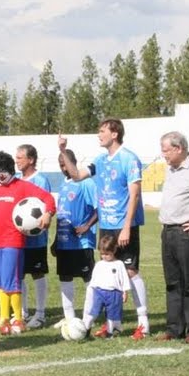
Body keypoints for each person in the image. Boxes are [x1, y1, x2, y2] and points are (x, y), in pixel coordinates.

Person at [58, 118, 150, 340]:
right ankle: (114, 325)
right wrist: (62, 151)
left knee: (130, 272)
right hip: (106, 224)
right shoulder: (100, 160)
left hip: (123, 224)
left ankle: (143, 323)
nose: (99, 135)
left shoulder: (129, 159)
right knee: (109, 272)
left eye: (102, 131)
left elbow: (134, 194)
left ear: (115, 133)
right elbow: (77, 175)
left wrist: (127, 226)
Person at [0, 151, 56, 335]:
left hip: (13, 242)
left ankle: (18, 319)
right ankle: (4, 317)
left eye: (4, 170)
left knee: (12, 282)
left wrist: (48, 213)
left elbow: (48, 198)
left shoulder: (22, 187)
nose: (1, 174)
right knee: (1, 282)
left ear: (11, 169)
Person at [157, 131, 189, 343]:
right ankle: (174, 327)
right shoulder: (171, 169)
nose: (163, 155)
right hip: (167, 231)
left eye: (166, 150)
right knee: (172, 282)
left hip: (187, 232)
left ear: (179, 148)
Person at [52, 149, 97, 326]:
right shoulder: (63, 185)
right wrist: (56, 240)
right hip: (64, 243)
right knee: (65, 277)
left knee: (88, 278)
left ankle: (89, 317)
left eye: (66, 164)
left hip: (82, 242)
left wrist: (87, 226)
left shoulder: (87, 183)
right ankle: (69, 317)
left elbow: (99, 208)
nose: (64, 168)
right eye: (61, 165)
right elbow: (62, 215)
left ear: (74, 162)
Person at [15, 144, 52, 328]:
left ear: (30, 159)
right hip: (19, 239)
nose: (17, 160)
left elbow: (47, 206)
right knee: (19, 275)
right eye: (16, 157)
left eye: (20, 157)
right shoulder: (16, 180)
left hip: (36, 239)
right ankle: (22, 312)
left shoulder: (41, 180)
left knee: (37, 273)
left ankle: (40, 313)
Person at [81, 235, 130, 338]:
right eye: (102, 254)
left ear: (114, 250)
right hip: (99, 292)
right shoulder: (99, 264)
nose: (104, 256)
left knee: (112, 315)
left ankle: (110, 332)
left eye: (107, 254)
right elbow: (93, 279)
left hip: (114, 294)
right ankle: (86, 330)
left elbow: (124, 279)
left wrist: (125, 291)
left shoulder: (119, 264)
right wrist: (91, 290)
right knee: (93, 312)